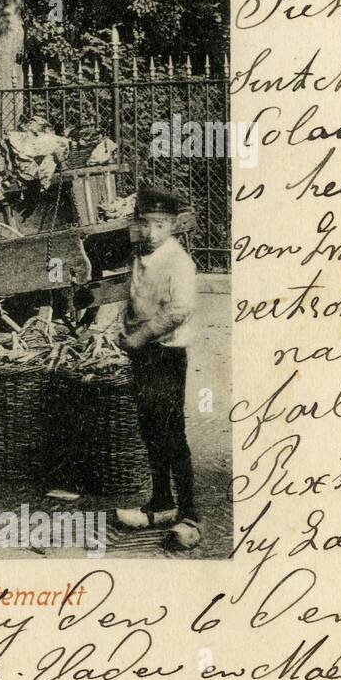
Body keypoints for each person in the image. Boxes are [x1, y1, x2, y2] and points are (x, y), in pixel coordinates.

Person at [114, 186, 201, 550]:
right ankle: (161, 502)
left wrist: (143, 334)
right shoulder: (141, 255)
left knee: (171, 432)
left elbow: (180, 309)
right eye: (146, 224)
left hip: (165, 354)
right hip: (143, 354)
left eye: (160, 225)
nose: (151, 232)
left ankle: (190, 514)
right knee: (150, 428)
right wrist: (124, 325)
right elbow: (133, 296)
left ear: (173, 226)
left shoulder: (178, 261)